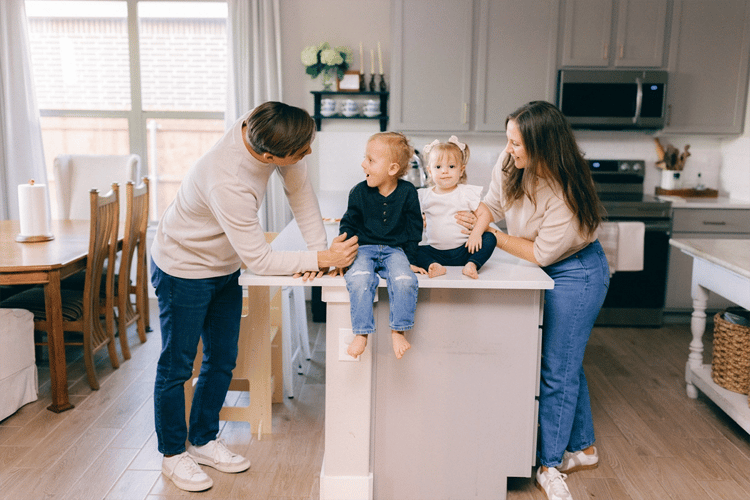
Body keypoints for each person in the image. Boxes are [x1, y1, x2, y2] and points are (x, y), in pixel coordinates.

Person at [150, 101, 358, 492]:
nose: (307, 154)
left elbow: (301, 195)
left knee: (223, 358)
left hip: (224, 265)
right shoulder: (224, 179)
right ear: (267, 156)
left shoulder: (274, 129)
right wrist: (320, 256)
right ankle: (173, 454)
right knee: (177, 366)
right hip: (184, 267)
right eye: (300, 152)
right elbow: (260, 260)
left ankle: (203, 440)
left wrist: (322, 257)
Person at [458, 101, 609, 500]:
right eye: (508, 140)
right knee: (564, 359)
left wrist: (492, 238)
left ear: (544, 146)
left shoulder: (565, 191)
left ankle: (550, 464)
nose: (510, 150)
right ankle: (585, 448)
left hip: (578, 270)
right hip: (545, 264)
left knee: (558, 368)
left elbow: (541, 253)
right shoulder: (510, 165)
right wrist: (477, 226)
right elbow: (490, 204)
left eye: (518, 144)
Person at [332, 132, 426, 360]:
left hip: (396, 251)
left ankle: (398, 331)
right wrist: (340, 256)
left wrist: (411, 260)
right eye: (365, 158)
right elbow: (348, 224)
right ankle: (362, 333)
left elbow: (414, 229)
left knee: (405, 281)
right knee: (360, 278)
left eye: (371, 160)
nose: (363, 164)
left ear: (392, 169)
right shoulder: (358, 192)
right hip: (363, 249)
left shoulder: (408, 193)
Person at [417, 136, 497, 279]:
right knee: (411, 249)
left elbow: (485, 214)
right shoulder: (423, 196)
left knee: (490, 238)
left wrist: (476, 233)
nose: (445, 171)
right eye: (438, 167)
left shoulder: (466, 192)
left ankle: (472, 264)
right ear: (429, 171)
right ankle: (433, 265)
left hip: (465, 249)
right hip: (435, 252)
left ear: (461, 170)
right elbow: (411, 219)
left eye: (451, 166)